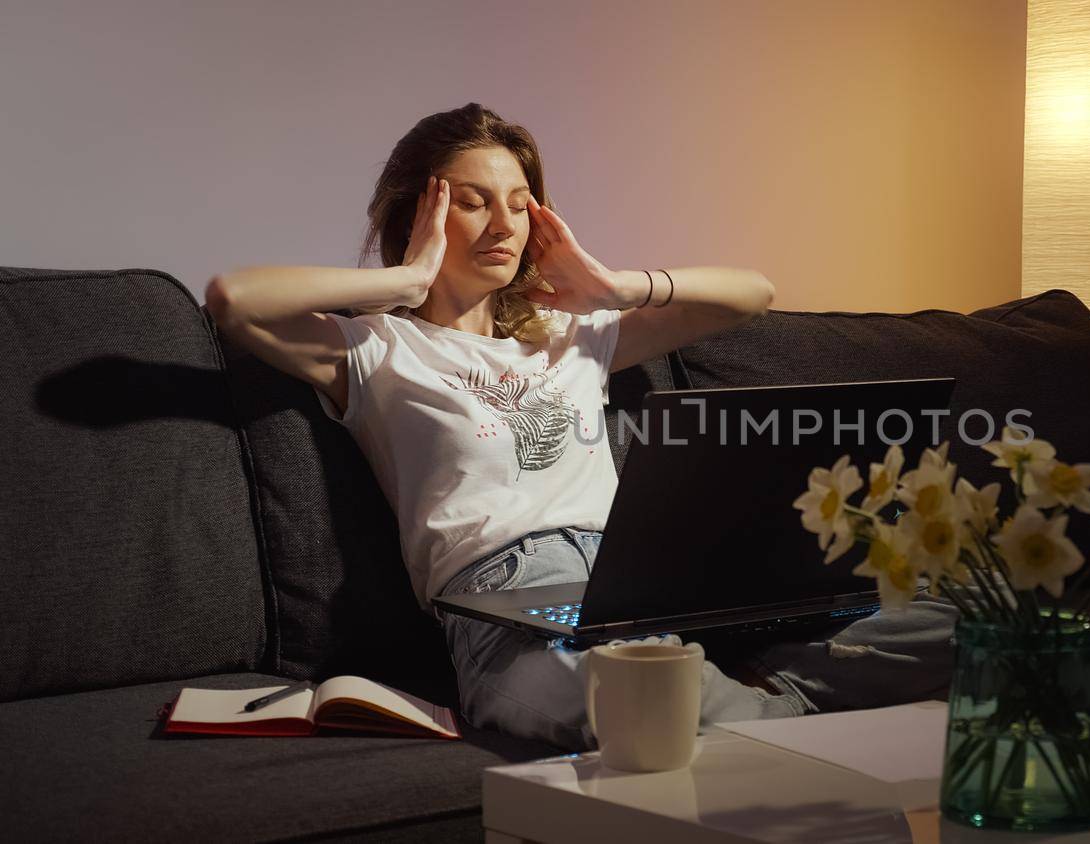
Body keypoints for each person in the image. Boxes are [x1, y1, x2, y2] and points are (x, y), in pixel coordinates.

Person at [206, 103, 956, 750]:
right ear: (420, 212)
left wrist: (616, 287)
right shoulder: (376, 350)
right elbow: (234, 300)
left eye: (519, 200)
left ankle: (756, 708)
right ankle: (775, 707)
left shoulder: (572, 336)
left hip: (639, 584)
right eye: (473, 201)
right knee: (645, 698)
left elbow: (751, 294)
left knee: (957, 623)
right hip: (506, 609)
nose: (503, 223)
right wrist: (404, 280)